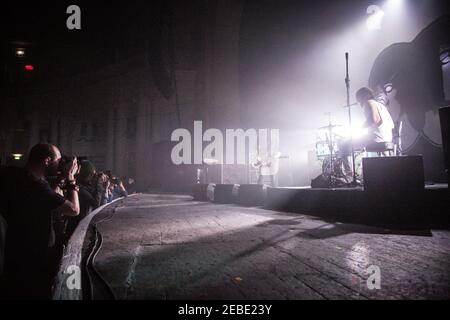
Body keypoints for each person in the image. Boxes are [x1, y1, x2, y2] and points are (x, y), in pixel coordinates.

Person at [0, 143, 80, 299]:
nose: (60, 163)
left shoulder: (14, 176)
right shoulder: (37, 186)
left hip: (12, 255)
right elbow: (74, 210)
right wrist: (70, 179)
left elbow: (44, 197)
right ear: (47, 161)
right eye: (58, 160)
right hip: (34, 262)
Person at [339, 87, 395, 182]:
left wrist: (361, 127)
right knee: (358, 145)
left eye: (358, 99)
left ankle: (350, 177)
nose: (359, 102)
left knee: (343, 145)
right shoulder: (381, 106)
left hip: (376, 138)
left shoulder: (368, 103)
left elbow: (375, 120)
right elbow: (392, 125)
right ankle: (360, 174)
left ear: (363, 96)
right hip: (387, 138)